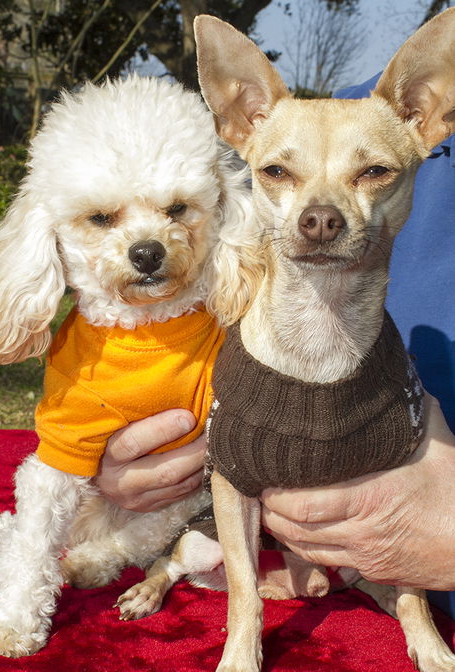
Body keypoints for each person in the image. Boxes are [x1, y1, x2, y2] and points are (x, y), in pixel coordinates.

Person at [95, 73, 455, 593]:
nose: (320, 216)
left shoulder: (393, 119)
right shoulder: (339, 109)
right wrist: (123, 459)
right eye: (281, 172)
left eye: (373, 172)